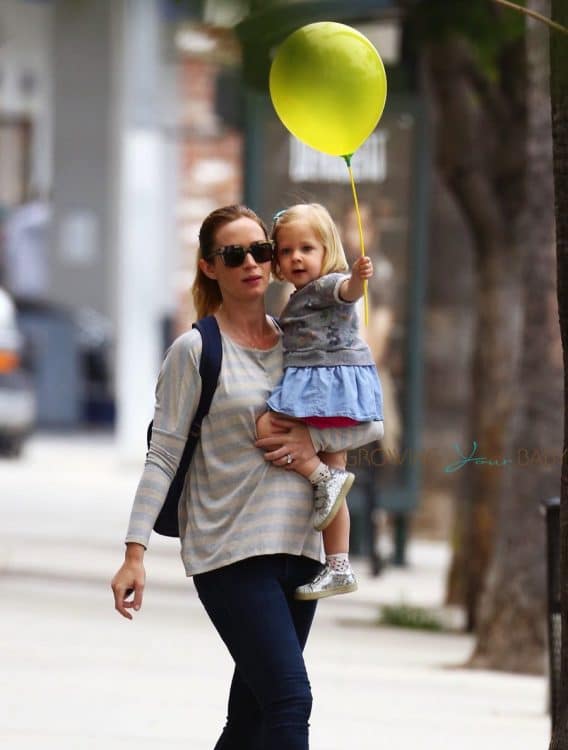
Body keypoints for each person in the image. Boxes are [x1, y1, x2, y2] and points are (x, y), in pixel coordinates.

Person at [111, 204, 383, 750]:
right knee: (290, 700)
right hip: (230, 552)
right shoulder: (195, 351)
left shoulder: (303, 342)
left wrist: (312, 442)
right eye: (235, 255)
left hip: (302, 550)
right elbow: (162, 453)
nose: (254, 264)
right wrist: (134, 551)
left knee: (254, 718)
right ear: (211, 267)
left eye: (262, 250)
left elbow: (360, 428)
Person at [256, 203, 384, 601]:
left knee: (269, 427)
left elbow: (347, 293)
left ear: (326, 251)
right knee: (335, 487)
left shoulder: (328, 285)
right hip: (325, 381)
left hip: (325, 384)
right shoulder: (297, 295)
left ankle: (321, 477)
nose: (296, 258)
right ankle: (339, 564)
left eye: (307, 249)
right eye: (287, 250)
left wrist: (358, 280)